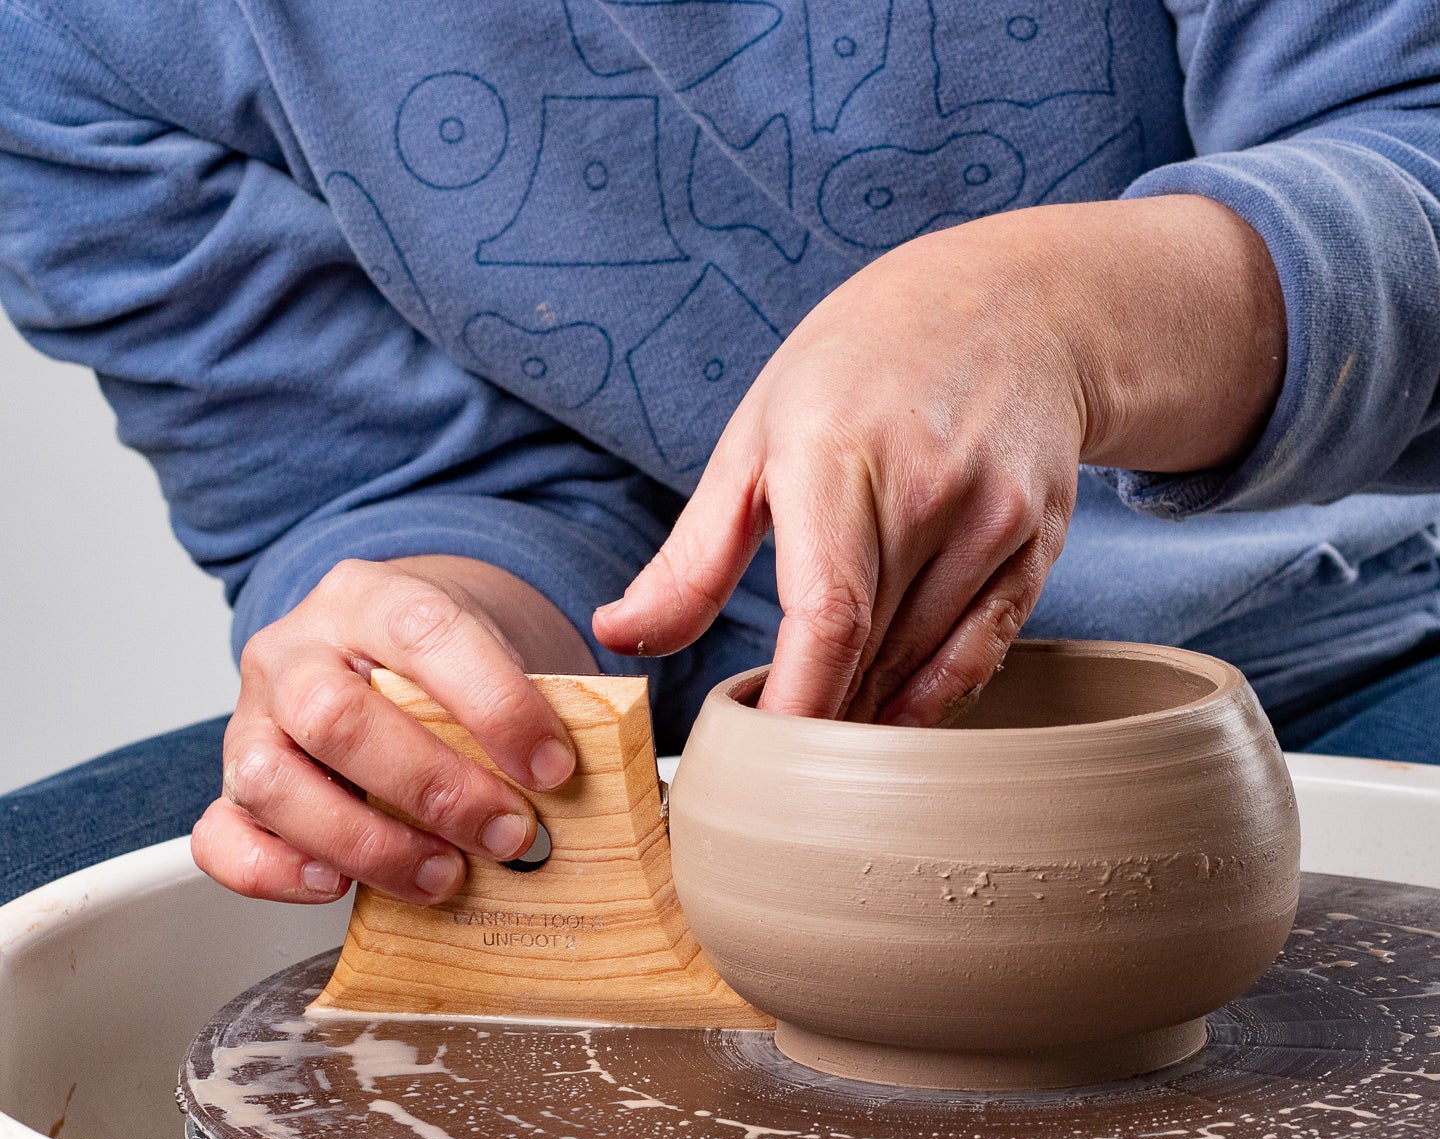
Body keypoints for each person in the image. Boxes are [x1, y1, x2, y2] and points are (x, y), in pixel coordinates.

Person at [3, 1, 1440, 911]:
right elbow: (382, 483)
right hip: (685, 742)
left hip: (1342, 634)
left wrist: (1056, 320)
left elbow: (1408, 153)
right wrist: (429, 661)